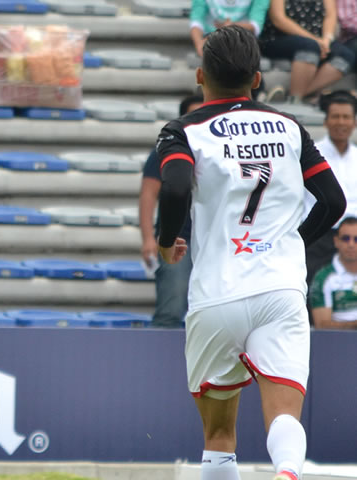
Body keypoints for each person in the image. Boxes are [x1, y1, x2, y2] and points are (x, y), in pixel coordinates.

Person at [156, 25, 345, 480]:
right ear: (257, 79)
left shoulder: (185, 130)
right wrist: (291, 239)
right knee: (284, 414)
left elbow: (176, 185)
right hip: (279, 289)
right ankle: (288, 471)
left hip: (217, 293)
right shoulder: (289, 127)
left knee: (219, 436)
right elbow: (334, 202)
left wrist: (166, 241)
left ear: (200, 76)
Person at [138, 93, 204, 328]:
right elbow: (148, 194)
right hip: (177, 239)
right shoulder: (166, 149)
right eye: (194, 115)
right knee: (171, 310)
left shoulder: (224, 150)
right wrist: (148, 238)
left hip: (217, 241)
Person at [303, 91, 357, 291]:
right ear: (325, 121)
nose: (341, 122)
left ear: (354, 122)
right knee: (310, 289)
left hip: (355, 235)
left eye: (346, 117)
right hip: (321, 234)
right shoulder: (311, 155)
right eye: (335, 116)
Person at [258, 0, 354, 104]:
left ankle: (297, 96)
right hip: (279, 38)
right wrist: (315, 41)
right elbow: (278, 19)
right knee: (309, 47)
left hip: (319, 40)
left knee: (346, 55)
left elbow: (330, 15)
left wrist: (326, 40)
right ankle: (296, 98)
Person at [309, 216, 357, 329]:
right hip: (338, 339)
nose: (351, 244)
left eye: (356, 239)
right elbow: (321, 325)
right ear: (336, 241)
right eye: (346, 238)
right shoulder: (322, 278)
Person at [189, 0, 270, 58]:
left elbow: (256, 26)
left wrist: (231, 26)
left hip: (243, 37)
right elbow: (196, 21)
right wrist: (199, 44)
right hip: (211, 37)